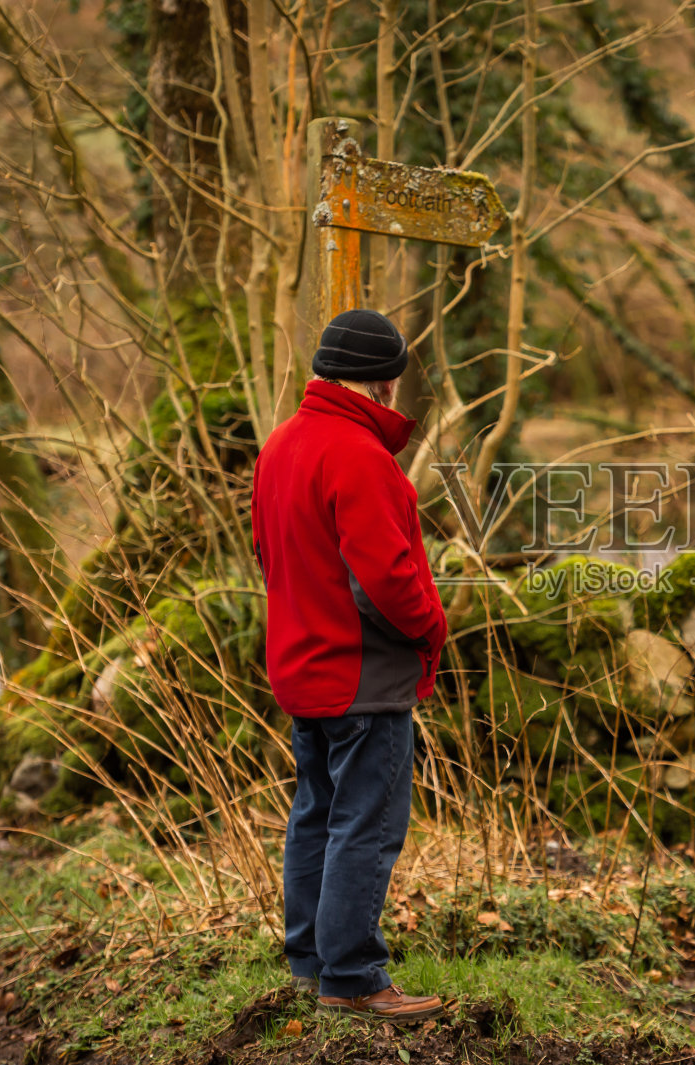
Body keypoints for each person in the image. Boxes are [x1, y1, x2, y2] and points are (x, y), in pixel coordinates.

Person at [250, 308, 448, 1023]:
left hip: (302, 665)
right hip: (363, 675)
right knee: (366, 824)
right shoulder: (360, 454)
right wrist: (432, 627)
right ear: (383, 381)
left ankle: (311, 963)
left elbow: (268, 554)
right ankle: (354, 978)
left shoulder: (280, 445)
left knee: (316, 815)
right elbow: (384, 579)